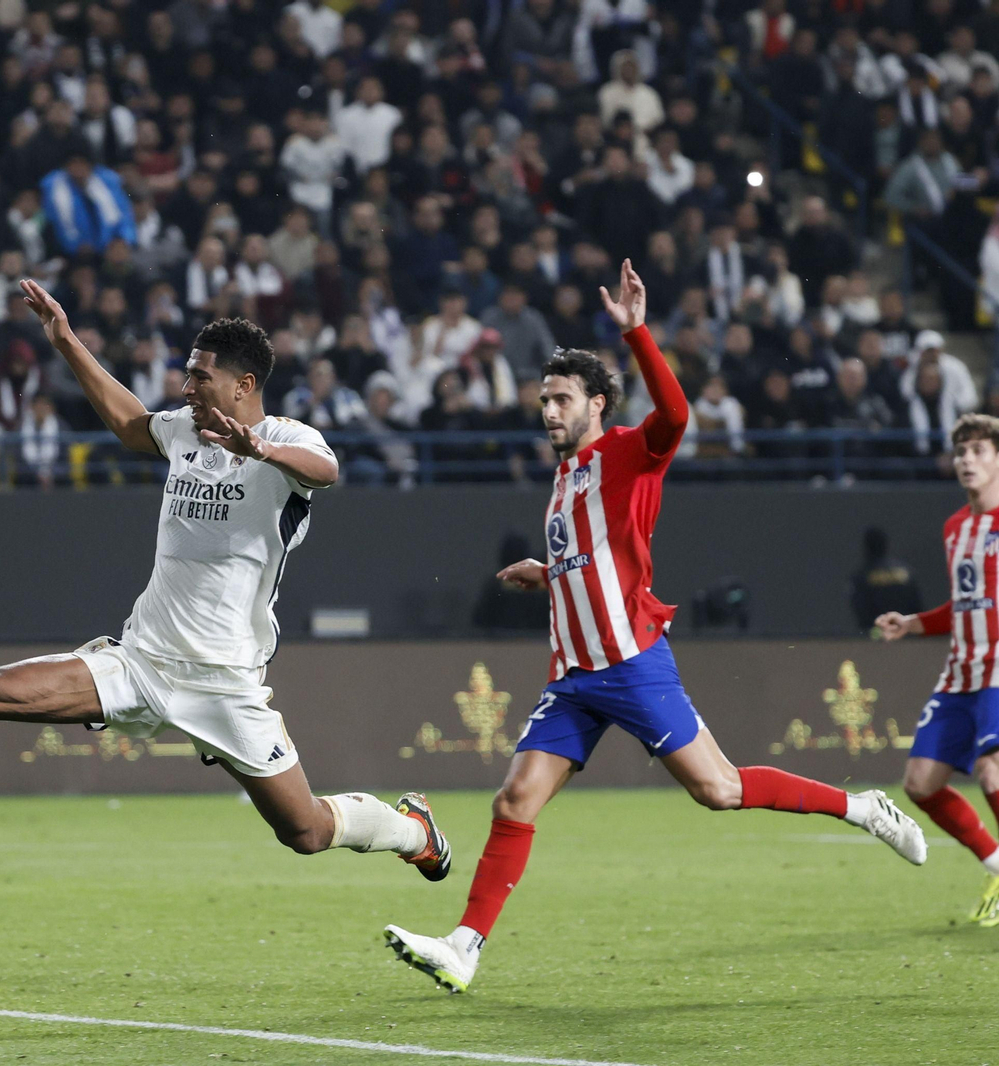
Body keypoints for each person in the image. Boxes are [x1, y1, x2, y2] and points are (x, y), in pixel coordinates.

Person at [0, 280, 454, 880]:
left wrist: (257, 447)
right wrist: (65, 340)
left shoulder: (291, 442)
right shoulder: (183, 431)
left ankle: (408, 830)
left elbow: (328, 473)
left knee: (303, 831)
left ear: (244, 385)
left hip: (226, 680)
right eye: (187, 372)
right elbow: (129, 421)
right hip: (139, 663)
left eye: (201, 376)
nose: (186, 385)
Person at [382, 261, 927, 993]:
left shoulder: (625, 454)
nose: (548, 411)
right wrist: (545, 574)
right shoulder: (563, 476)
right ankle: (465, 946)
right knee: (513, 801)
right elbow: (597, 559)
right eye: (543, 399)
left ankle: (862, 806)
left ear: (598, 404)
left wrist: (638, 333)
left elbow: (675, 417)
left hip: (631, 665)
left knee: (720, 790)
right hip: (575, 678)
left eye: (562, 400)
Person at [876, 414, 999, 926]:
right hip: (960, 675)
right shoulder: (955, 529)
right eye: (961, 452)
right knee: (921, 784)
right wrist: (914, 624)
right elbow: (965, 604)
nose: (967, 460)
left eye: (978, 450)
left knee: (993, 768)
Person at [851, 527, 921, 632]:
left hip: (876, 636)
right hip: (906, 634)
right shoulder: (905, 572)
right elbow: (917, 605)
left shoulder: (862, 576)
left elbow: (861, 609)